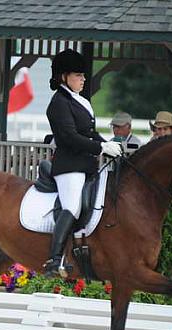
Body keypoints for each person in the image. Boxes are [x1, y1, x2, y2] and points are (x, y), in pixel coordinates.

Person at [43, 49, 123, 276]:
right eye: (78, 75)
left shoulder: (79, 100)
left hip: (87, 165)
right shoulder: (58, 102)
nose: (83, 79)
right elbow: (69, 137)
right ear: (64, 77)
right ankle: (54, 260)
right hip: (69, 166)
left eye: (83, 75)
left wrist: (109, 145)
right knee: (73, 206)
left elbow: (89, 132)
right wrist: (99, 148)